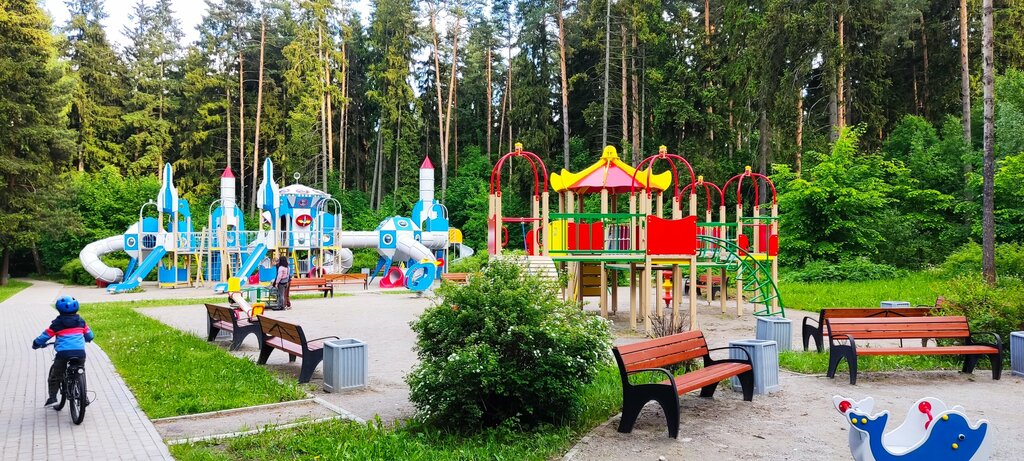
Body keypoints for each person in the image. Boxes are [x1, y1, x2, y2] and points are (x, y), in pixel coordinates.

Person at [31, 296, 94, 407]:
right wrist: (88, 339)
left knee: (56, 375)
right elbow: (90, 335)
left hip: (63, 354)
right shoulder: (81, 322)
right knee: (80, 371)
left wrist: (36, 343)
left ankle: (53, 398)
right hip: (80, 353)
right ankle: (84, 396)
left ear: (58, 309)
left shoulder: (57, 324)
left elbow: (45, 336)